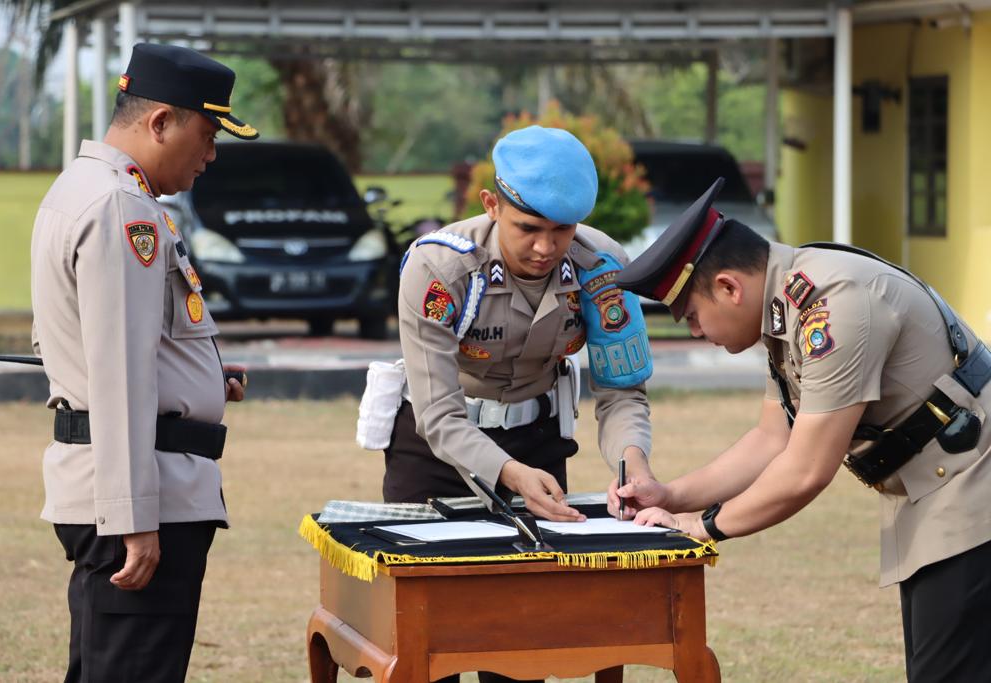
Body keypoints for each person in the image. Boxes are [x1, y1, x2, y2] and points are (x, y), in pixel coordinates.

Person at [614, 177, 991, 682]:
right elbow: (772, 440)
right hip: (942, 484)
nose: (696, 332)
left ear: (729, 287)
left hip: (971, 481)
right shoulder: (785, 302)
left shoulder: (831, 304)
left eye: (692, 316)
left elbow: (807, 469)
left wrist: (701, 528)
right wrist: (672, 495)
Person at [383, 125, 656, 683]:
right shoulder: (438, 269)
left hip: (537, 440)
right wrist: (509, 475)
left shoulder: (602, 266)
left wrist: (635, 465)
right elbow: (439, 416)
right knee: (428, 639)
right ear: (491, 205)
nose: (545, 247)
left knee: (522, 641)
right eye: (528, 227)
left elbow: (621, 391)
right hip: (432, 454)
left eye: (562, 230)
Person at [30, 43, 258, 683]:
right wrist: (133, 518)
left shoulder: (81, 189)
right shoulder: (122, 208)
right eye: (208, 134)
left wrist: (203, 379)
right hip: (139, 495)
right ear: (160, 122)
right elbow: (120, 369)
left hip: (119, 484)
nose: (210, 156)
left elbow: (73, 339)